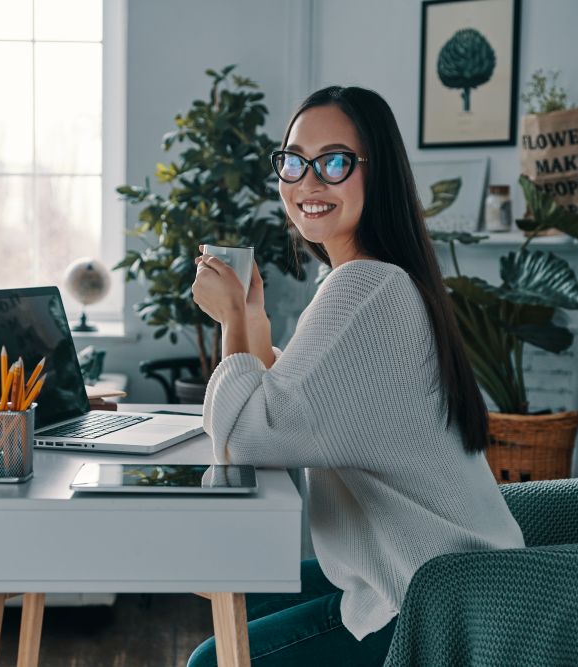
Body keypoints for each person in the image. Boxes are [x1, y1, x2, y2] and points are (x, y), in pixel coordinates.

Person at [186, 86, 525, 666]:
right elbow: (292, 410)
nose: (307, 183)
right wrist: (253, 317)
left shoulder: (367, 288)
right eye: (293, 161)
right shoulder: (376, 281)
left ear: (378, 173)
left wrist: (233, 321)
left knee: (209, 662)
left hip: (434, 605)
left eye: (334, 162)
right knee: (246, 604)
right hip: (437, 580)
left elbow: (248, 437)